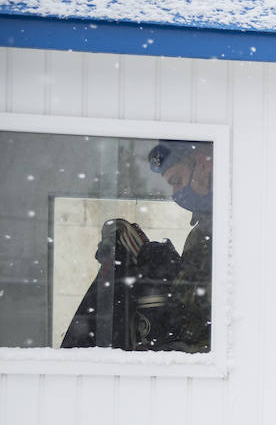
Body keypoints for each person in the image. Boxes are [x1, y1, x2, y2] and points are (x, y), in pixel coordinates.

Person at [60, 139, 213, 352]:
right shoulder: (203, 231)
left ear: (203, 162)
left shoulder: (236, 224)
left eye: (177, 180)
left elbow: (213, 316)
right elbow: (193, 304)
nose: (177, 193)